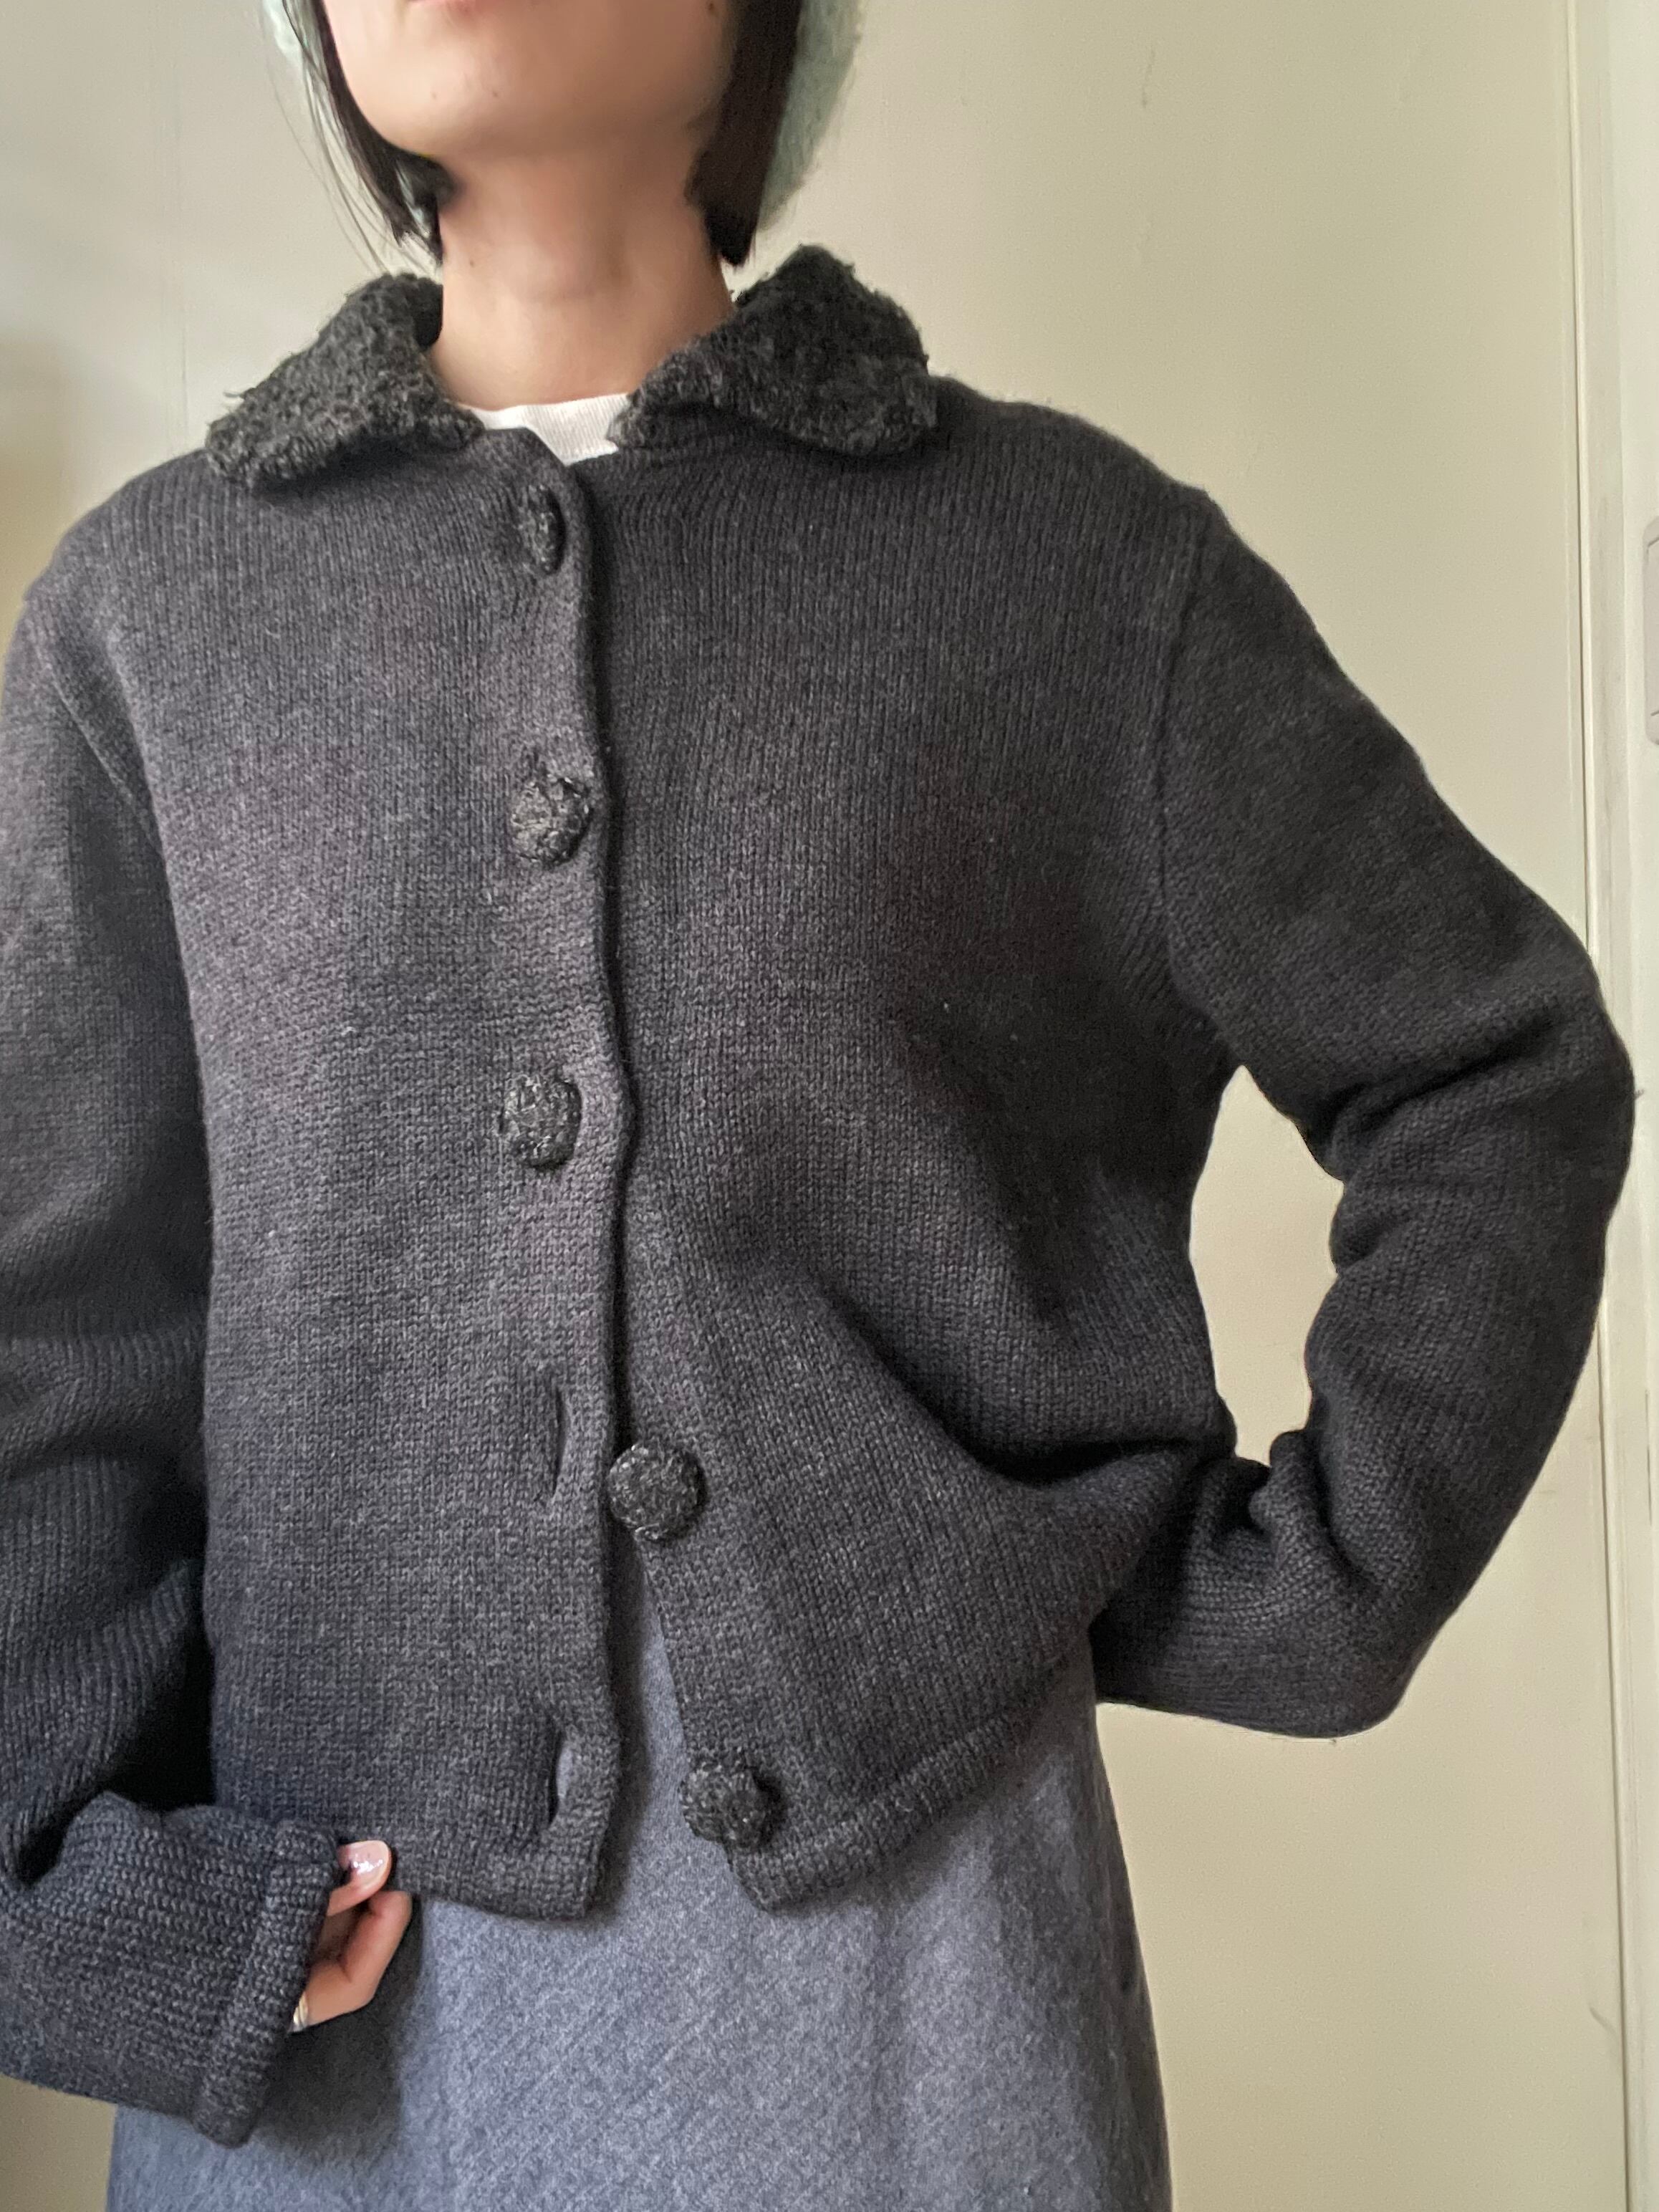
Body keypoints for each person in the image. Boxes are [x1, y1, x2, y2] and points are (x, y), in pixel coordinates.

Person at [0, 1, 1635, 2207]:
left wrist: (1311, 1586)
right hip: (320, 1998)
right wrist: (71, 1896)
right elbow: (48, 1308)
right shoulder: (151, 621)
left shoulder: (1061, 571)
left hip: (911, 1972)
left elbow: (1488, 1069)